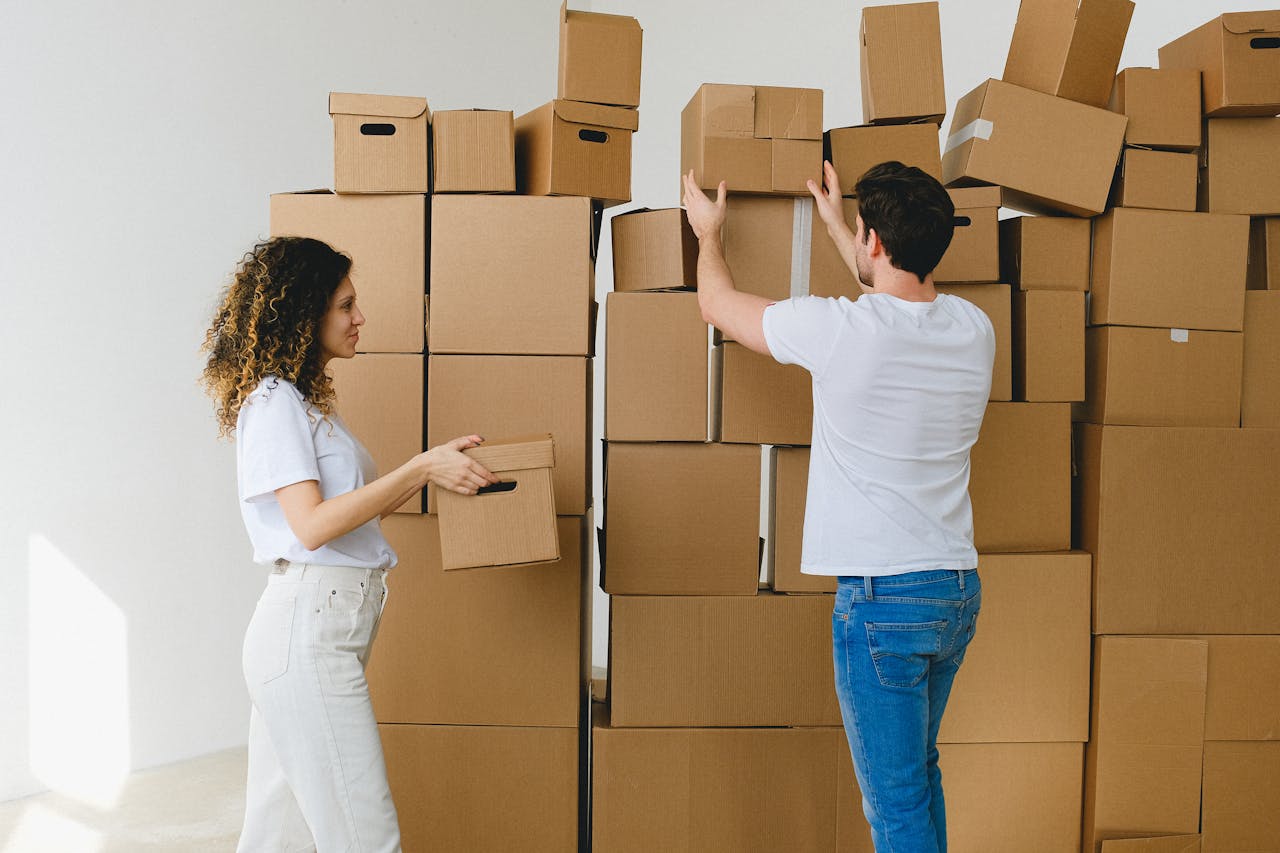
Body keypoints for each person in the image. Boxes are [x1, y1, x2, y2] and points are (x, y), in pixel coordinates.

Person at [682, 161, 993, 852]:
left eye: (862, 233)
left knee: (895, 806)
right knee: (917, 777)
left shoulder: (839, 331)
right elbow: (892, 294)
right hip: (954, 592)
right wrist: (837, 227)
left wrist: (709, 234)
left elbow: (717, 306)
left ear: (875, 241)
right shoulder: (974, 330)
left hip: (885, 603)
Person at [201, 236, 498, 852]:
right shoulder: (274, 401)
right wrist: (418, 469)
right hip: (307, 633)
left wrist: (441, 473)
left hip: (323, 627)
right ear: (303, 313)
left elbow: (345, 517)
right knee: (365, 834)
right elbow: (311, 526)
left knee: (278, 838)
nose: (359, 319)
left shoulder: (305, 405)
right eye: (345, 305)